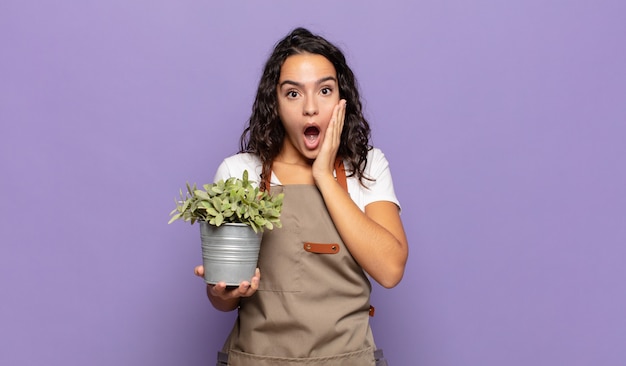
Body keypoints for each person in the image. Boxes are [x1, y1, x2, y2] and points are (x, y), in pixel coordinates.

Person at [194, 27, 409, 366]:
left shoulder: (366, 166)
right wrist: (221, 292)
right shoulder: (240, 172)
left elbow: (390, 270)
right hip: (256, 359)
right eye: (293, 94)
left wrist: (324, 175)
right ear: (275, 103)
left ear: (342, 99)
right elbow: (224, 299)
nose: (310, 108)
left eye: (324, 90)